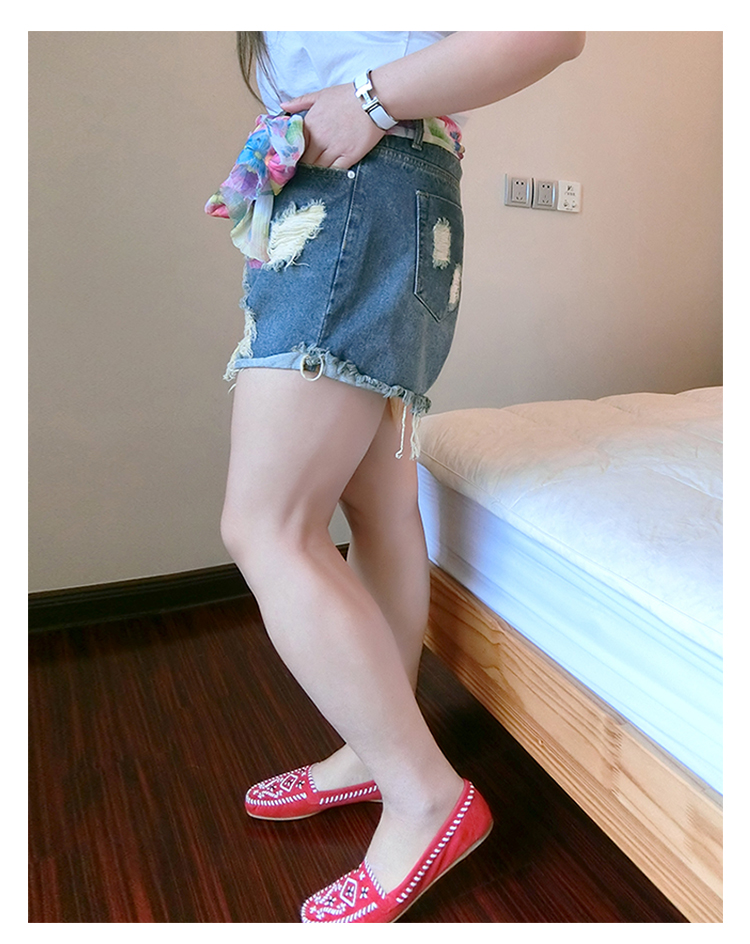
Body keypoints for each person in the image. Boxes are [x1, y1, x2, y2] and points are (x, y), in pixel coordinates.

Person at [211, 31, 586, 923]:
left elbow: (550, 28)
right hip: (371, 194)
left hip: (361, 195)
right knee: (377, 502)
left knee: (265, 525)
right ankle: (373, 751)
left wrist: (367, 100)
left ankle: (425, 796)